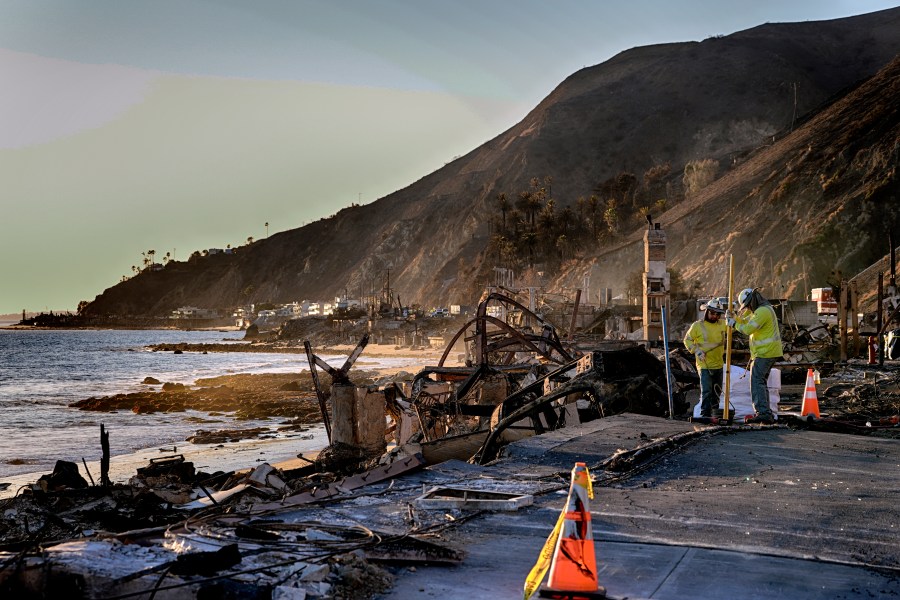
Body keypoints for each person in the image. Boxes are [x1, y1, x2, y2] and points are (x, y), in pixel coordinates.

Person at [726, 288, 783, 424]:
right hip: (767, 352)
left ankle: (762, 412)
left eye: (748, 305)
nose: (748, 308)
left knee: (757, 381)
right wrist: (734, 318)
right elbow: (746, 322)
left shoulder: (762, 311)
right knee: (760, 382)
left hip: (765, 352)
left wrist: (733, 324)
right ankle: (765, 412)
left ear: (753, 300)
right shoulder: (762, 310)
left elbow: (747, 329)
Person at [684, 298, 728, 418]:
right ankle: (705, 415)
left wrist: (733, 316)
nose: (714, 316)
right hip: (704, 364)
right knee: (707, 391)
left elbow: (736, 326)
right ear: (706, 312)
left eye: (717, 314)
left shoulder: (723, 325)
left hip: (718, 364)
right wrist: (697, 351)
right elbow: (687, 340)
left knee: (716, 392)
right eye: (712, 313)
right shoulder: (697, 326)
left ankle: (714, 415)